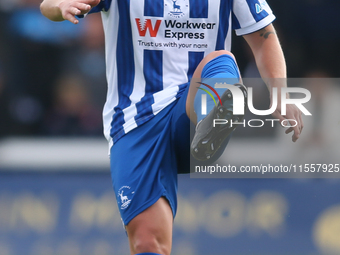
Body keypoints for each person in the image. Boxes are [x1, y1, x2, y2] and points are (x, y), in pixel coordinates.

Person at [40, 0, 303, 254]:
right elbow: (48, 5)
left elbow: (263, 36)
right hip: (136, 120)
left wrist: (280, 95)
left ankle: (212, 120)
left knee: (221, 62)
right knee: (147, 242)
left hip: (191, 109)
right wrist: (61, 6)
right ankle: (216, 118)